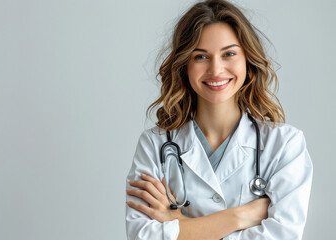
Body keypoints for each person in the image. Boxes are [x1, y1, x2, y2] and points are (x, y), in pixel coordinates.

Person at [125, 0, 313, 239]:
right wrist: (240, 216)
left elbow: (283, 235)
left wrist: (179, 224)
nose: (216, 70)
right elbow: (141, 235)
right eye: (201, 57)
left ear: (248, 59)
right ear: (184, 65)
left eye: (229, 54)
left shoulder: (285, 144)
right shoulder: (154, 145)